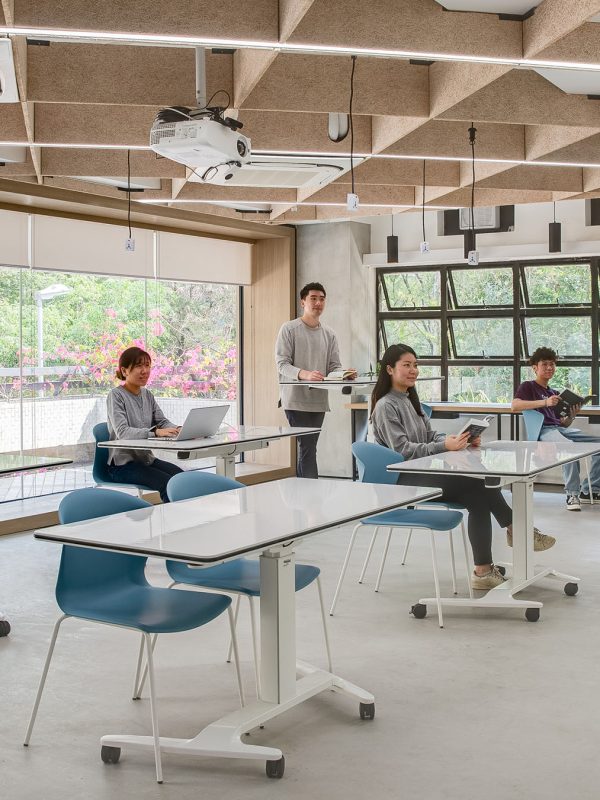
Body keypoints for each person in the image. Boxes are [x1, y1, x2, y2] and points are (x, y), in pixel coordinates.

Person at [371, 343, 555, 591]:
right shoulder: (385, 405)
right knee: (477, 484)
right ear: (390, 369)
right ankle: (517, 531)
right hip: (401, 479)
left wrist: (458, 439)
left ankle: (484, 569)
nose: (414, 370)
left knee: (477, 491)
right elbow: (402, 450)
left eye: (416, 365)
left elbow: (429, 436)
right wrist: (445, 446)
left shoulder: (412, 401)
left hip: (421, 471)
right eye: (407, 365)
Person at [275, 282, 356, 479]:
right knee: (308, 447)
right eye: (313, 298)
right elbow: (282, 364)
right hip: (295, 400)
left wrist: (344, 374)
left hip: (318, 401)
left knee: (309, 448)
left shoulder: (330, 334)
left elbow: (334, 366)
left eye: (322, 299)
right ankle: (312, 496)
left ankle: (303, 495)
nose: (318, 302)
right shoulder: (289, 329)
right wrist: (305, 374)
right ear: (303, 302)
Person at [512, 346, 600, 511]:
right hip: (543, 430)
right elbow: (515, 405)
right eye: (544, 364)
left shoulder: (555, 392)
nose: (549, 368)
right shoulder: (528, 386)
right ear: (535, 368)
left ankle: (590, 491)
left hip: (558, 429)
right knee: (569, 447)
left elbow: (563, 424)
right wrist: (545, 402)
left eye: (552, 364)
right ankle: (572, 494)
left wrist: (572, 415)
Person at [106, 346, 183, 503]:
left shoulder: (147, 394)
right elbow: (123, 432)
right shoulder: (116, 395)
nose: (145, 370)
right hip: (121, 466)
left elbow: (162, 421)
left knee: (183, 479)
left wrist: (178, 429)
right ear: (125, 370)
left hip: (146, 459)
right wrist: (155, 433)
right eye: (139, 366)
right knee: (167, 483)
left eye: (147, 366)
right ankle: (175, 523)